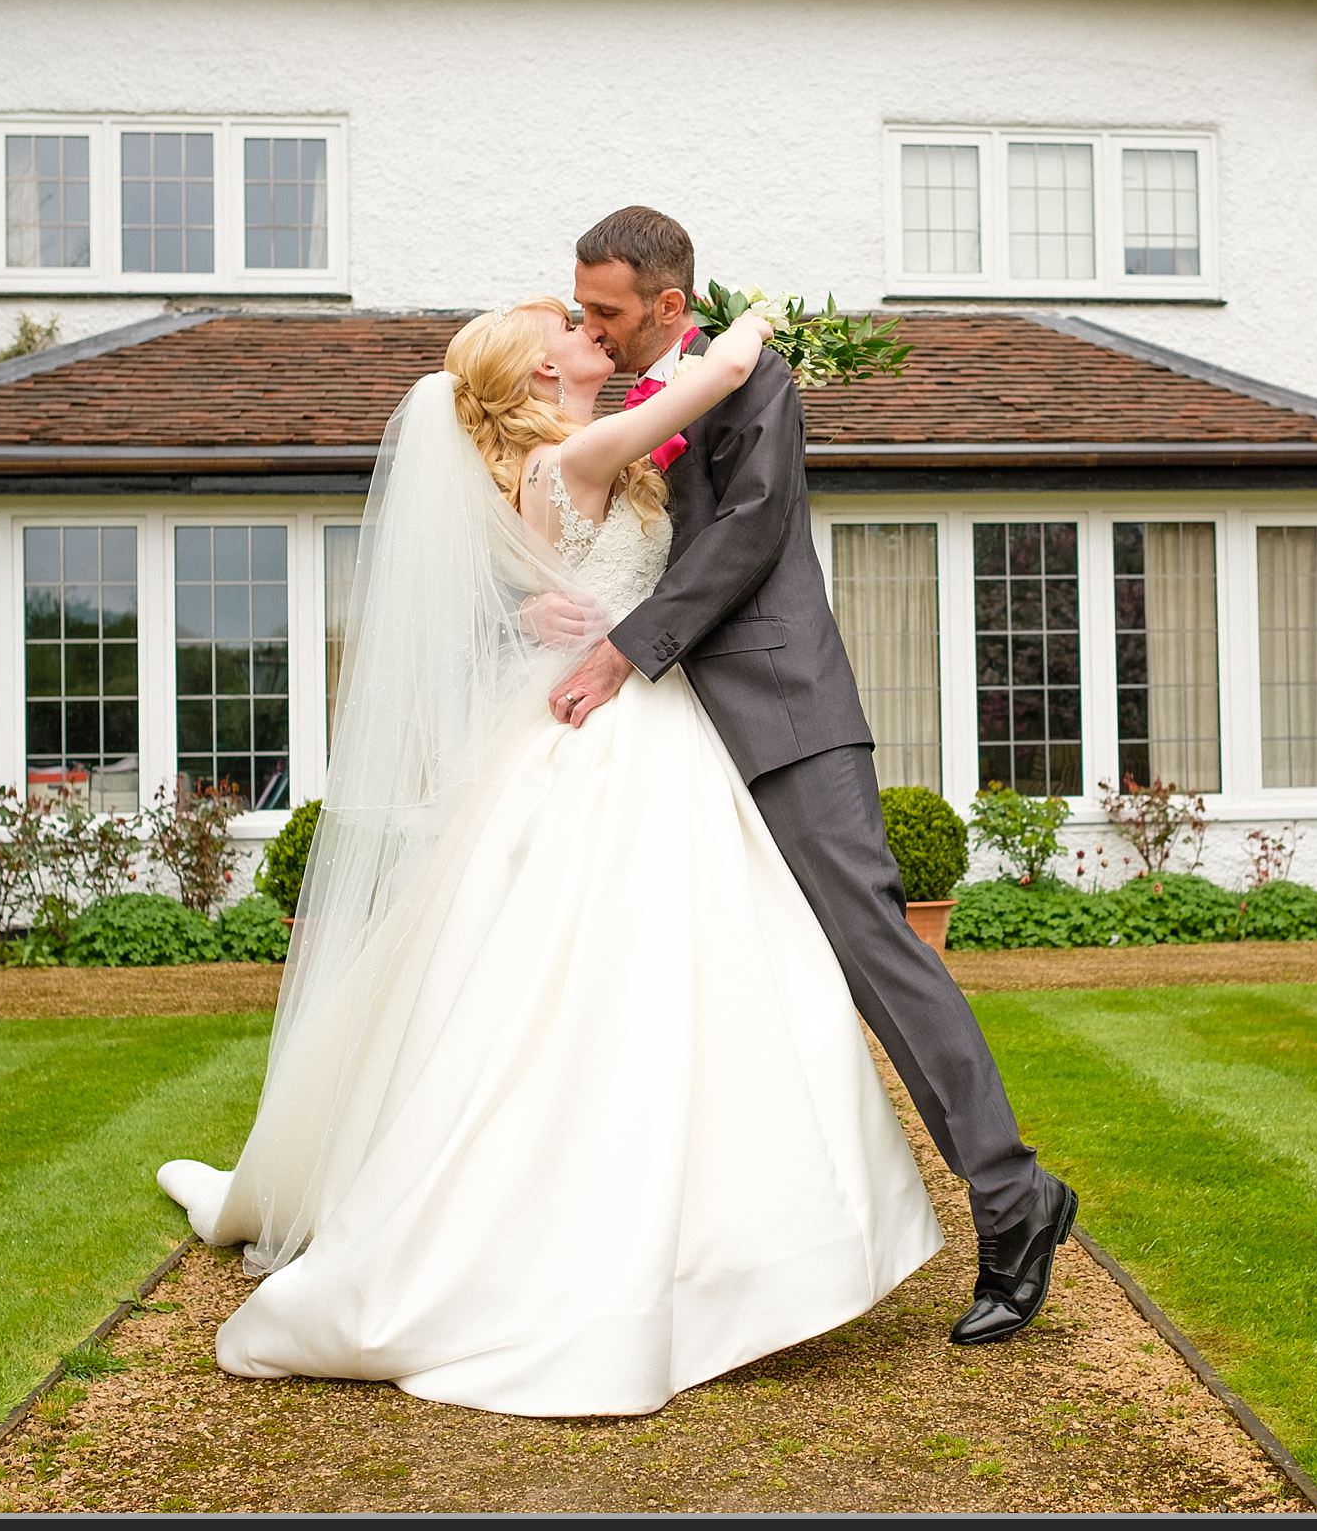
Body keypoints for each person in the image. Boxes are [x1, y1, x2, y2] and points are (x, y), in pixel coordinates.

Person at [156, 292, 943, 1419]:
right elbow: (716, 379)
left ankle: (709, 1235)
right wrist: (760, 319)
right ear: (536, 373)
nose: (589, 333)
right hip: (611, 738)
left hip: (649, 725)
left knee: (697, 974)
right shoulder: (571, 456)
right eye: (568, 327)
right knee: (601, 984)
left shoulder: (581, 462)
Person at [546, 206, 1078, 1347]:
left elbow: (747, 534)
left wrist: (622, 645)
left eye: (606, 309)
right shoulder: (627, 405)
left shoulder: (754, 379)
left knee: (876, 956)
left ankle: (1014, 1197)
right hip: (674, 753)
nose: (587, 322)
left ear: (671, 306)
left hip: (784, 718)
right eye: (579, 304)